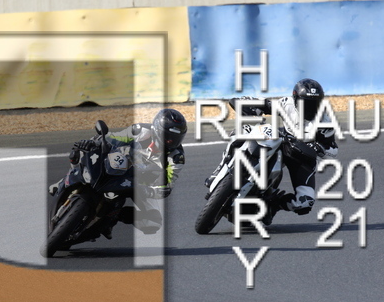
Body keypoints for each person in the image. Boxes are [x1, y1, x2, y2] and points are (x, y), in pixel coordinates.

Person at [205, 78, 338, 225]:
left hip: (301, 157)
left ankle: (273, 205)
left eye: (314, 103)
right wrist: (246, 103)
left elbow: (333, 149)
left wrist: (318, 148)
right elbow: (265, 104)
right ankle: (219, 170)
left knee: (305, 203)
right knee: (241, 131)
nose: (310, 107)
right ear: (295, 99)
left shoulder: (325, 123)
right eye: (305, 103)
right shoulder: (286, 104)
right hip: (283, 141)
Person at [72, 108, 187, 237]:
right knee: (81, 152)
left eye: (176, 138)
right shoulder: (140, 130)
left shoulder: (177, 157)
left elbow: (167, 186)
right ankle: (65, 183)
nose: (170, 142)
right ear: (157, 130)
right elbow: (112, 138)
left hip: (140, 185)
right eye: (168, 136)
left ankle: (114, 217)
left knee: (153, 223)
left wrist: (150, 191)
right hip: (118, 163)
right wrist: (93, 142)